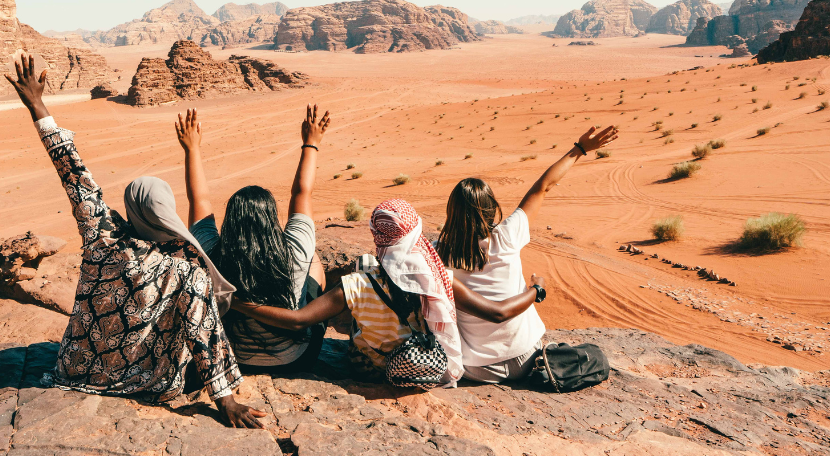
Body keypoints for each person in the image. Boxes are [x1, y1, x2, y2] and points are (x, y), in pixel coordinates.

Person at [2, 53, 266, 428]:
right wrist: (225, 400)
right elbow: (202, 329)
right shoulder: (186, 268)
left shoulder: (101, 236)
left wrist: (38, 105)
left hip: (76, 373)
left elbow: (73, 172)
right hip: (151, 384)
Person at [232, 199, 541, 388]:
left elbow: (298, 321)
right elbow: (496, 312)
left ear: (378, 237)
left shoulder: (354, 286)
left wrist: (241, 304)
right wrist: (535, 290)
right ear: (415, 234)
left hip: (370, 370)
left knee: (362, 270)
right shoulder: (438, 276)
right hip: (423, 364)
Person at [436, 125, 619, 384]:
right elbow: (543, 187)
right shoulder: (507, 235)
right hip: (526, 359)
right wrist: (579, 150)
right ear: (492, 210)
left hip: (476, 370)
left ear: (451, 212)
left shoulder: (437, 254)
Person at [176, 106, 330, 374]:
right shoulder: (294, 251)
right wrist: (311, 144)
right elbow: (302, 193)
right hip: (296, 359)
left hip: (236, 360)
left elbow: (198, 200)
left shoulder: (213, 251)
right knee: (312, 258)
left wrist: (192, 149)